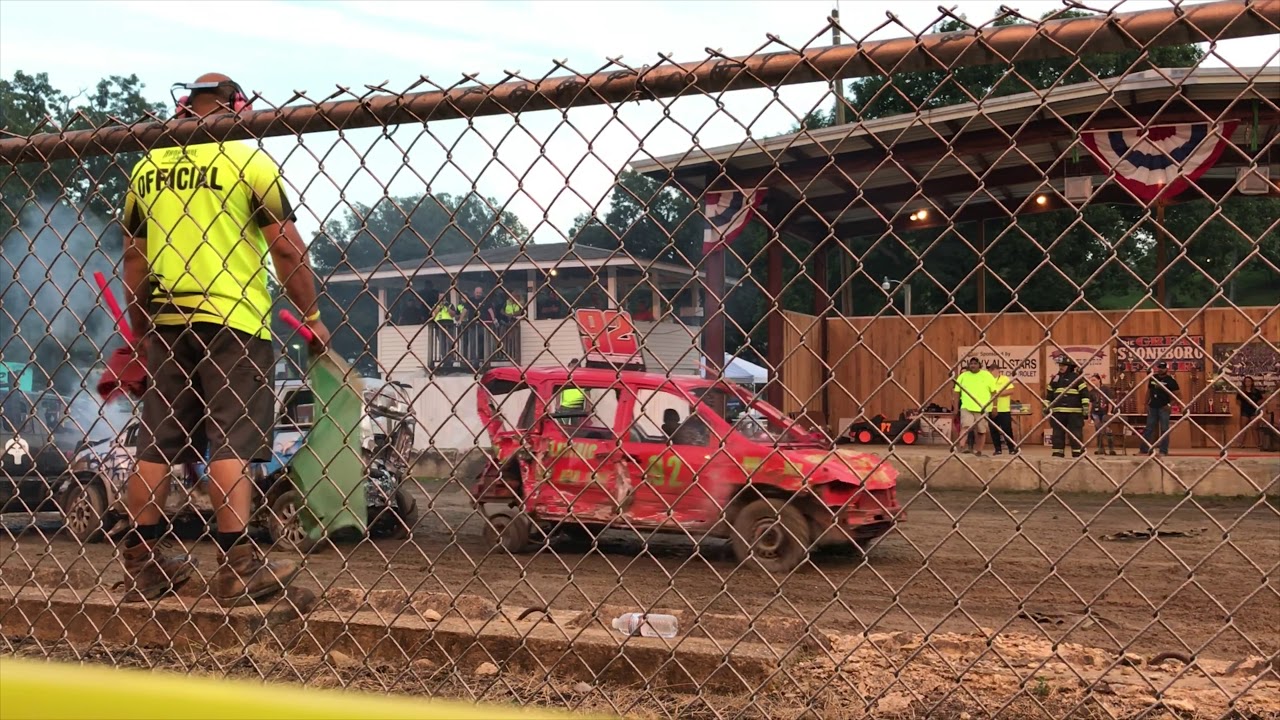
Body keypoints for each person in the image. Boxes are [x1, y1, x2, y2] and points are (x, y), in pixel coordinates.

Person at [118, 73, 331, 606]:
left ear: (187, 106)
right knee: (233, 440)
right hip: (234, 320)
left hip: (168, 319)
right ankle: (237, 565)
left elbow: (134, 256)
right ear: (238, 108)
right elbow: (285, 248)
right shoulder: (248, 161)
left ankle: (143, 564)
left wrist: (141, 324)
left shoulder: (148, 167)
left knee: (158, 445)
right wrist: (313, 315)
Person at [1045, 356, 1090, 458]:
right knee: (1057, 434)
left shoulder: (1077, 378)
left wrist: (1085, 406)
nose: (1061, 367)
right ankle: (1058, 453)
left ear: (1069, 366)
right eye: (1060, 365)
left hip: (1074, 412)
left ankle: (1077, 452)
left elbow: (1085, 394)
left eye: (1063, 365)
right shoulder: (1055, 379)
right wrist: (1046, 407)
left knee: (1075, 433)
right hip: (1058, 412)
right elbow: (1049, 395)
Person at [954, 357, 995, 456]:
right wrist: (955, 408)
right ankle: (962, 447)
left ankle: (979, 450)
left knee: (981, 430)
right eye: (971, 363)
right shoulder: (963, 376)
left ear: (979, 365)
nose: (973, 365)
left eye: (975, 363)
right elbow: (956, 392)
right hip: (967, 406)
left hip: (983, 408)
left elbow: (994, 392)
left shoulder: (987, 375)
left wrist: (994, 407)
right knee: (965, 426)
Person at [1140, 361, 1181, 456]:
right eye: (1159, 367)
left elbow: (1178, 396)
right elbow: (1149, 391)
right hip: (1153, 407)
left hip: (1164, 408)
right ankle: (1144, 450)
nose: (1160, 369)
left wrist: (1170, 405)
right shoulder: (1153, 378)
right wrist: (1145, 403)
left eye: (1162, 367)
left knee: (1164, 429)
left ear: (1167, 369)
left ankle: (1163, 451)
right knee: (1148, 429)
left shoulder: (1171, 381)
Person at [988, 361, 1017, 455]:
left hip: (1004, 409)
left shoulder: (1004, 379)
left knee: (1007, 429)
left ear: (998, 370)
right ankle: (997, 449)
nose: (991, 372)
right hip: (991, 408)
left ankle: (1011, 448)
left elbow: (1011, 390)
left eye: (993, 369)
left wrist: (997, 394)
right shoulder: (987, 380)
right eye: (990, 370)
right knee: (993, 430)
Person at [1088, 373, 1117, 456]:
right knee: (1098, 430)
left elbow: (1110, 401)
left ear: (1099, 380)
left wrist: (1109, 412)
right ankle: (1100, 448)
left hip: (1104, 412)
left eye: (1094, 380)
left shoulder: (1106, 389)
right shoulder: (1092, 391)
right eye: (1091, 380)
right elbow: (1090, 403)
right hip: (1095, 413)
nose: (1092, 382)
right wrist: (1089, 415)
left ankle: (1111, 449)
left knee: (1108, 430)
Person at [1236, 376, 1264, 449]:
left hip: (1254, 411)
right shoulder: (1241, 392)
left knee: (1255, 428)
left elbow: (1261, 400)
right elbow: (1238, 401)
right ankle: (1240, 444)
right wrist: (1243, 404)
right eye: (1246, 381)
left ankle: (1258, 444)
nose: (1247, 383)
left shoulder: (1256, 391)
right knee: (1243, 428)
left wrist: (1257, 404)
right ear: (1244, 383)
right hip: (1245, 411)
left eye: (1249, 381)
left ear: (1252, 382)